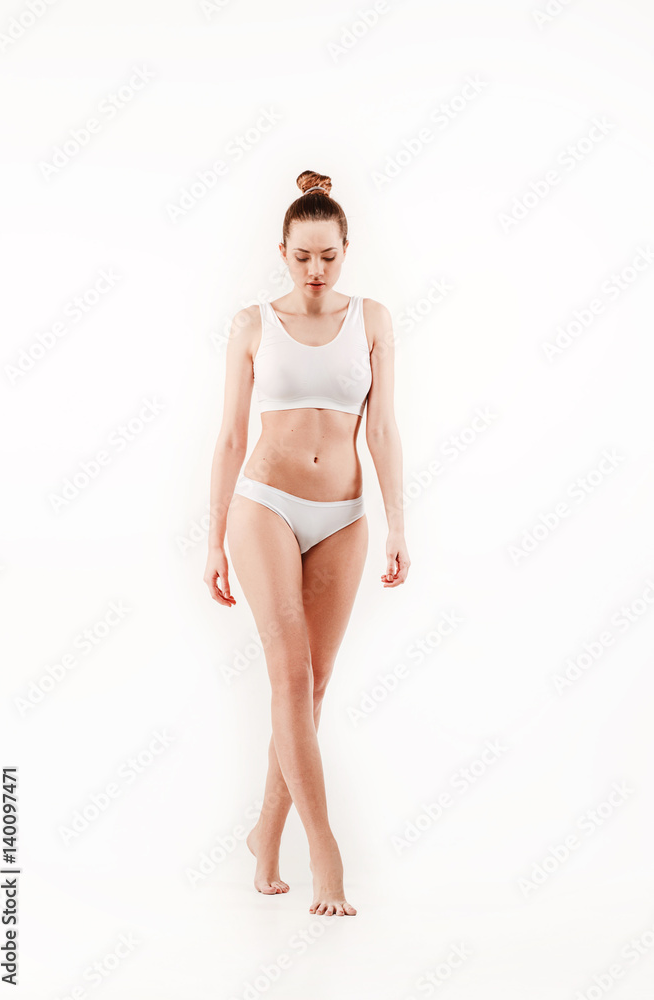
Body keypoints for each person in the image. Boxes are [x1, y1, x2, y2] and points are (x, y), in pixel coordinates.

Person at [203, 169, 410, 916]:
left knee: (313, 686)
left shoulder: (374, 320)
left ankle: (265, 832)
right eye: (301, 257)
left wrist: (397, 522)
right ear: (282, 252)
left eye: (328, 256)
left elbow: (381, 429)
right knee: (290, 678)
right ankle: (324, 852)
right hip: (265, 505)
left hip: (344, 516)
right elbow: (231, 436)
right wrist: (213, 540)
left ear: (346, 250)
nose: (315, 270)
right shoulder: (251, 324)